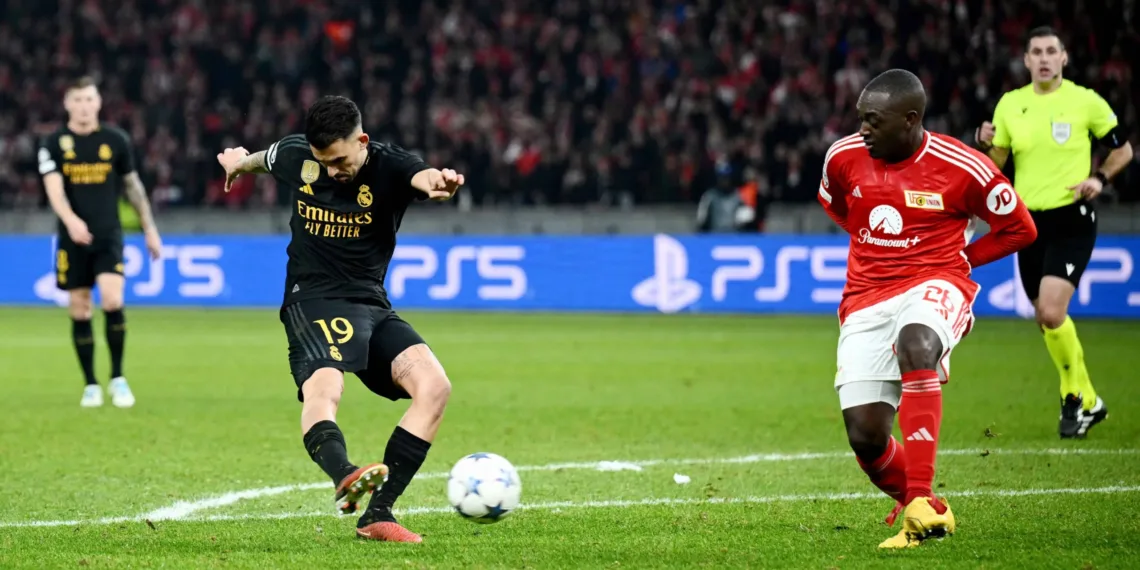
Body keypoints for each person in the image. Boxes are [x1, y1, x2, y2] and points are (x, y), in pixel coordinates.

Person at [216, 96, 462, 543]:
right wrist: (237, 161)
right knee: (326, 387)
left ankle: (377, 513)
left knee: (434, 387)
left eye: (340, 160)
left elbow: (421, 177)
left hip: (371, 302)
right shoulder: (299, 155)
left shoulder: (390, 166)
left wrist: (438, 182)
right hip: (310, 298)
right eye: (322, 162)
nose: (331, 171)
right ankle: (345, 473)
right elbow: (262, 159)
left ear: (362, 141)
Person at [819, 69, 1037, 548]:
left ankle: (918, 503)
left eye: (873, 121)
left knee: (917, 343)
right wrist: (879, 244)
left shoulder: (964, 166)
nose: (863, 130)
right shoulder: (843, 157)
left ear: (911, 119)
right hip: (865, 296)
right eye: (860, 119)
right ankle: (932, 510)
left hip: (936, 282)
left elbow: (1021, 228)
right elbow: (837, 206)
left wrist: (963, 259)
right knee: (865, 436)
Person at [976, 26, 1131, 438]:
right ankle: (1092, 401)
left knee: (1050, 311)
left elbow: (1124, 148)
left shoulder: (1084, 102)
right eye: (1036, 52)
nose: (1044, 58)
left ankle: (1071, 397)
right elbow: (997, 162)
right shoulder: (1011, 104)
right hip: (1027, 222)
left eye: (1051, 51)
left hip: (1071, 217)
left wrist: (1099, 177)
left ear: (1064, 58)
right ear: (1026, 61)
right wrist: (983, 140)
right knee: (1045, 322)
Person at [37, 76, 163, 409]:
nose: (83, 106)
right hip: (71, 237)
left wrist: (149, 228)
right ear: (67, 104)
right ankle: (91, 383)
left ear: (98, 102)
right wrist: (72, 221)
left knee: (112, 299)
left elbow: (134, 188)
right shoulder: (53, 143)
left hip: (108, 234)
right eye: (77, 100)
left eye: (89, 99)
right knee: (79, 308)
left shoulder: (115, 140)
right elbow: (54, 189)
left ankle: (118, 378)